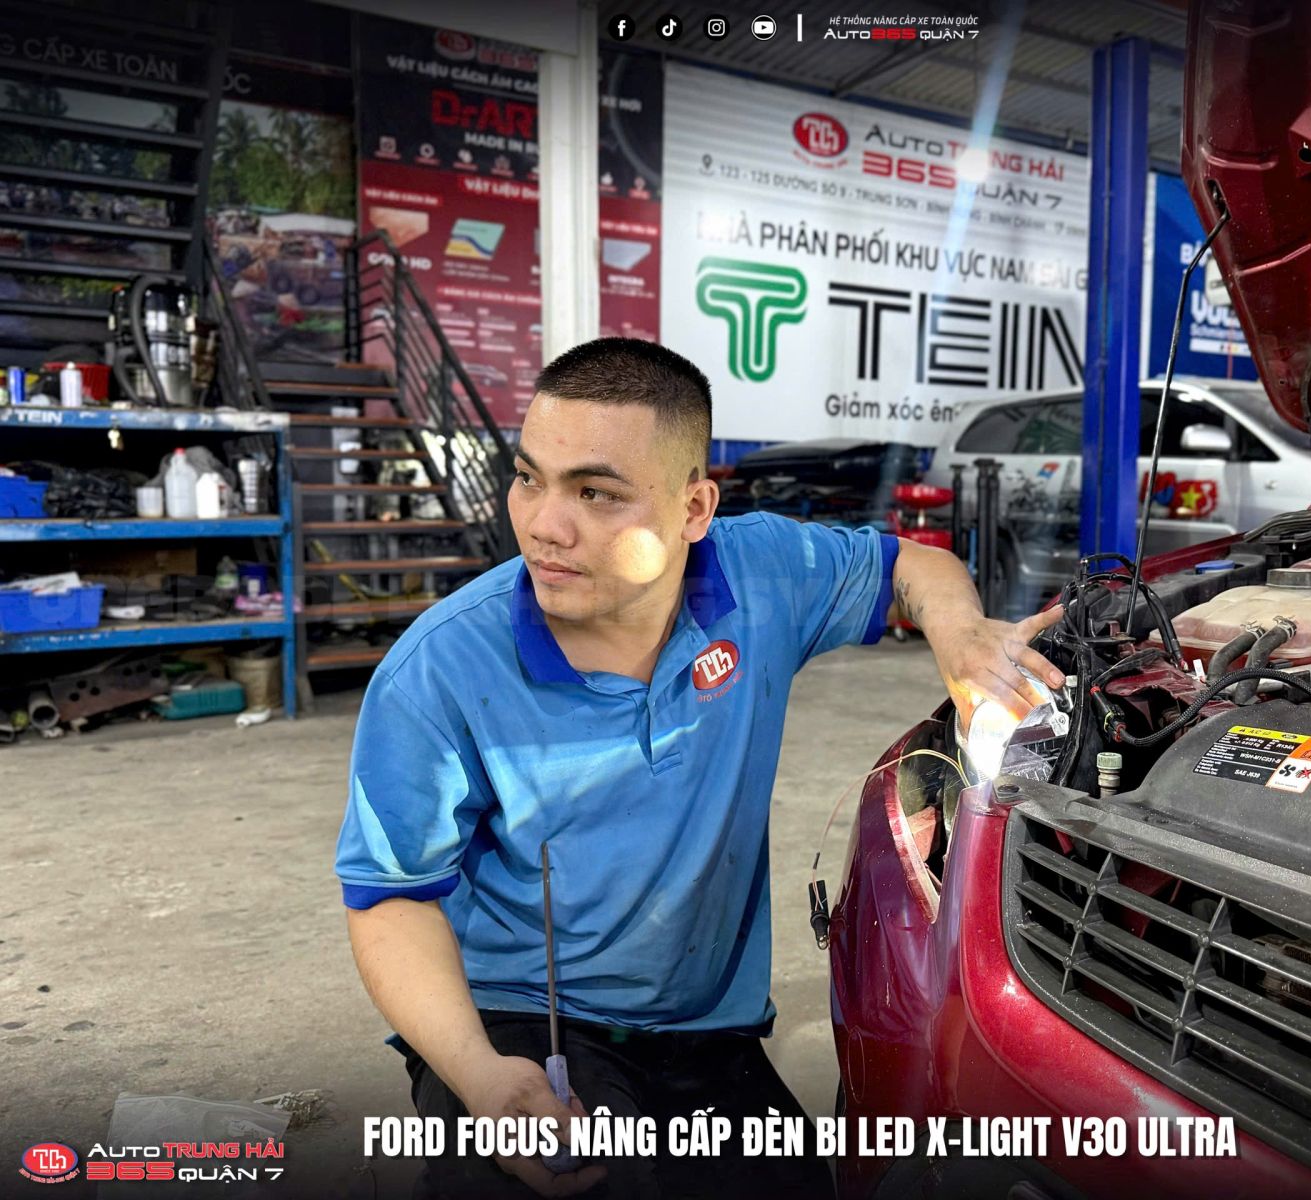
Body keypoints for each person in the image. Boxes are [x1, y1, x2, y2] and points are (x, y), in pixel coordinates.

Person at [335, 338, 1065, 1199]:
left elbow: (912, 564)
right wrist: (479, 1075)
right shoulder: (442, 668)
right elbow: (389, 898)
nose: (543, 524)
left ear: (694, 509)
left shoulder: (761, 575)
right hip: (525, 1022)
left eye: (595, 492)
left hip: (709, 1033)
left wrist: (960, 632)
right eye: (529, 478)